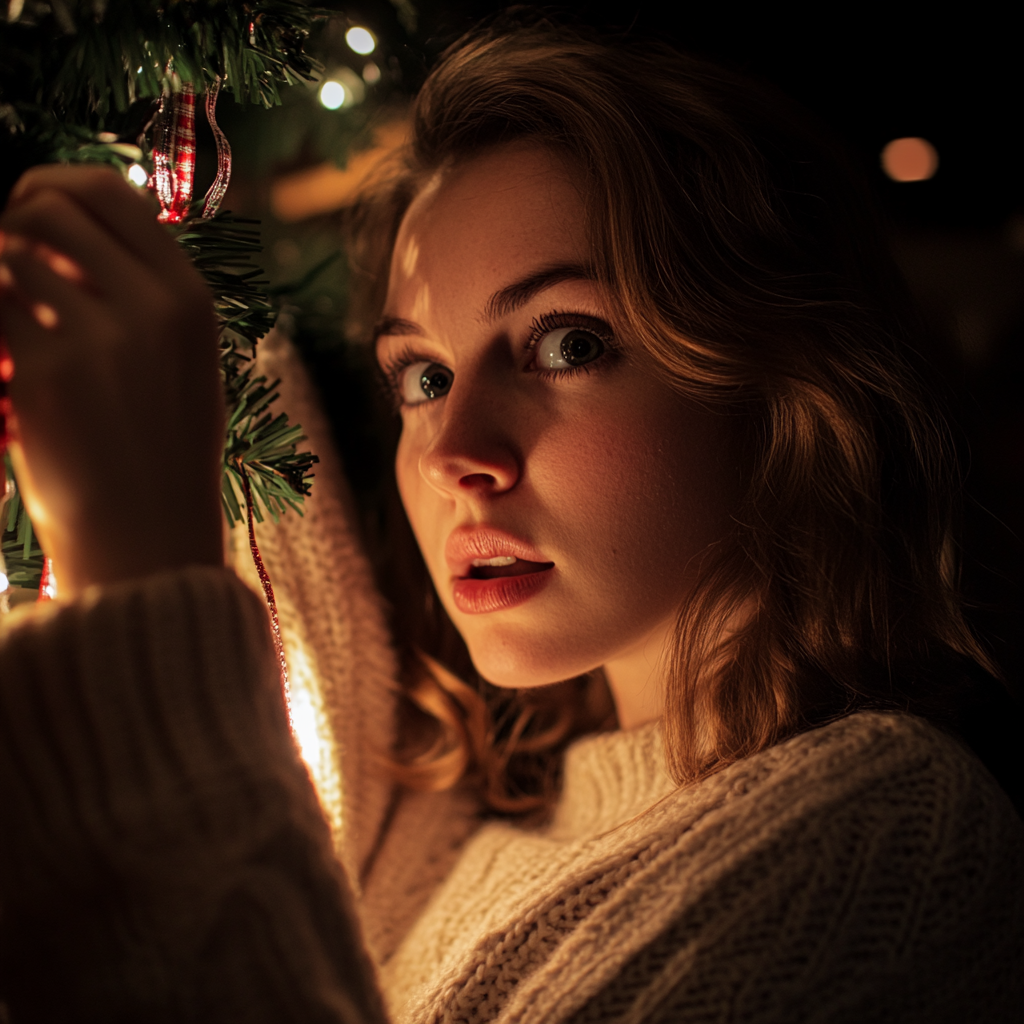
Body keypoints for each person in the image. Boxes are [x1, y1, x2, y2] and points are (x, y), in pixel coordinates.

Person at [0, 16, 1022, 1023]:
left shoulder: (889, 824)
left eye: (567, 344)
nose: (453, 456)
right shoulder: (460, 837)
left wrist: (141, 582)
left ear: (781, 387)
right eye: (424, 376)